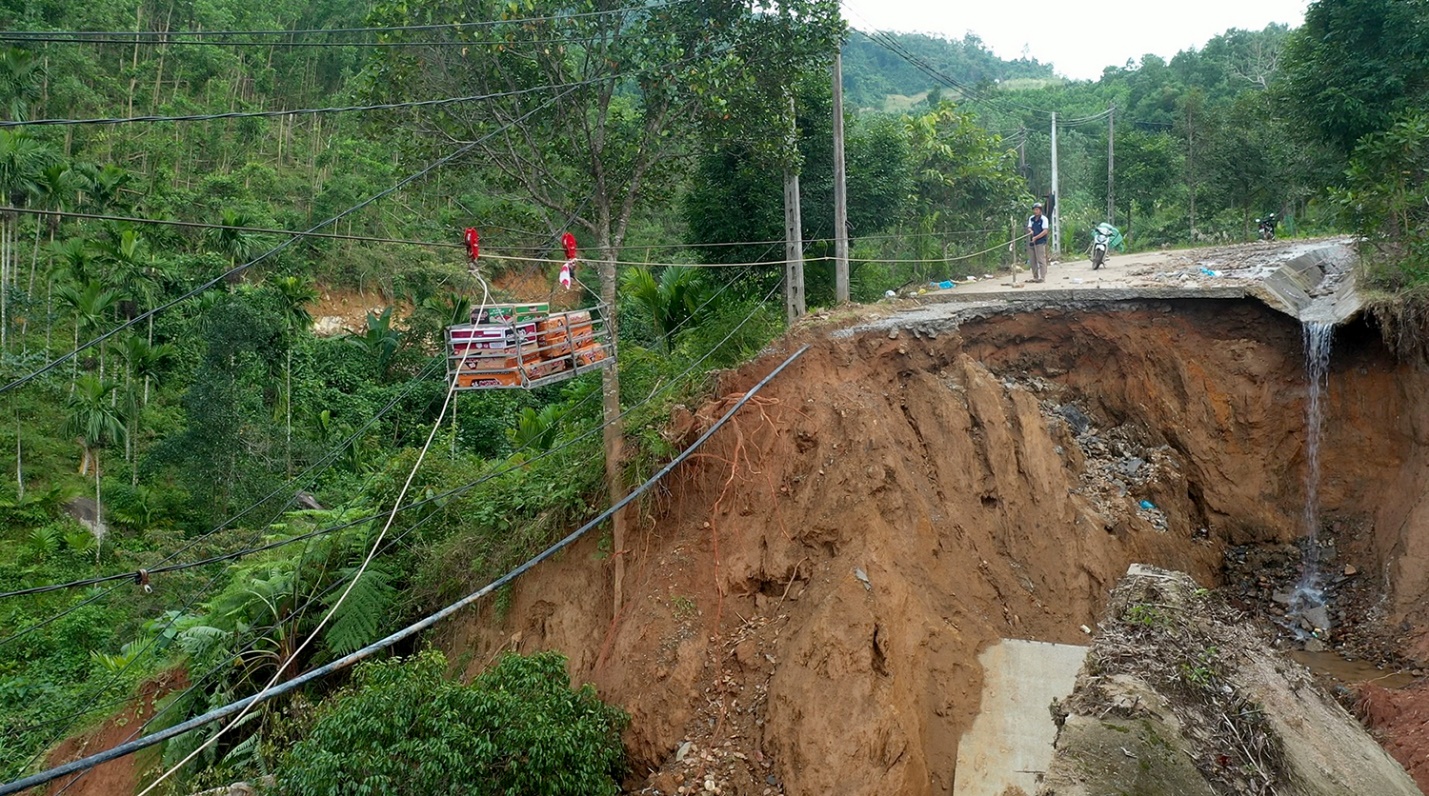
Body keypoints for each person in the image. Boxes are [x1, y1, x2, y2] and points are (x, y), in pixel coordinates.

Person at [1026, 202, 1050, 282]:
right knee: (1032, 260)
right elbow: (1029, 227)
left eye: (1037, 210)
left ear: (1040, 210)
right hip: (1032, 241)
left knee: (1041, 259)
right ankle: (1035, 276)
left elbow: (1045, 231)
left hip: (1040, 241)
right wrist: (1030, 231)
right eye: (1034, 210)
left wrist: (1036, 237)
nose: (1035, 211)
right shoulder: (1031, 218)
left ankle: (1042, 277)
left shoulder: (1044, 219)